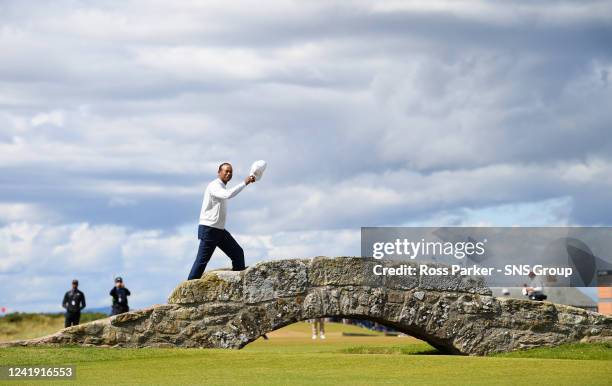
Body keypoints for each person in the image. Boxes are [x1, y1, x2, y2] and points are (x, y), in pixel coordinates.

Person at [188, 162, 256, 280]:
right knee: (201, 261)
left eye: (231, 172)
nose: (229, 174)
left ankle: (238, 286)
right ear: (219, 172)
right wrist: (245, 182)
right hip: (209, 229)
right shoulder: (214, 185)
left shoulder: (222, 186)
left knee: (238, 254)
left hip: (219, 230)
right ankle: (187, 293)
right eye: (226, 171)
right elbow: (228, 194)